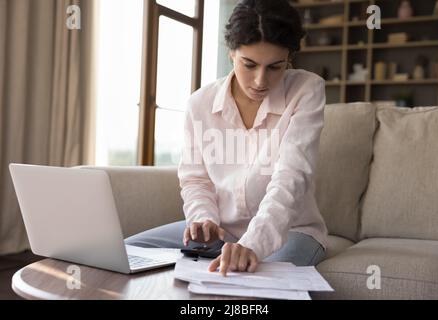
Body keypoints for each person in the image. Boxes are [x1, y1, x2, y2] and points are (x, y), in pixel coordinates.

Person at [125, 0, 328, 276]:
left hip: (292, 231)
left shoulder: (307, 89)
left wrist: (252, 244)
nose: (260, 81)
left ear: (289, 59)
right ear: (231, 53)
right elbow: (195, 178)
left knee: (259, 277)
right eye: (249, 64)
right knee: (126, 254)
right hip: (223, 231)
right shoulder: (200, 103)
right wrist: (203, 218)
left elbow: (291, 178)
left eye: (275, 67)